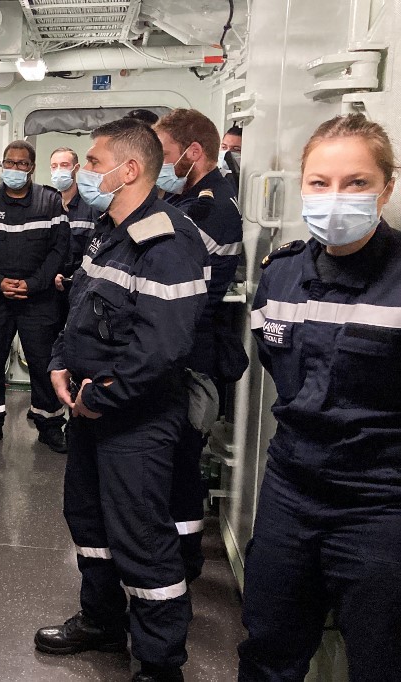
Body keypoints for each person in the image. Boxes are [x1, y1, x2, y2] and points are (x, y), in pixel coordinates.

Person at [34, 118, 209, 682]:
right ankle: (102, 620)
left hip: (136, 419)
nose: (82, 172)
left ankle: (159, 662)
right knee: (88, 521)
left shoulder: (169, 240)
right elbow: (82, 307)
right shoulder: (107, 229)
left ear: (127, 170)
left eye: (91, 161)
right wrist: (60, 362)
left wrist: (98, 397)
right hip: (90, 409)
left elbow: (162, 347)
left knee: (141, 540)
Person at [238, 114, 401, 682]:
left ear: (387, 188)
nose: (336, 198)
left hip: (382, 502)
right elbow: (277, 364)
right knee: (267, 645)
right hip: (292, 491)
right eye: (320, 182)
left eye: (356, 183)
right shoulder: (280, 274)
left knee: (381, 661)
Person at [153, 108, 244, 581]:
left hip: (190, 353)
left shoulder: (207, 208)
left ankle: (182, 565)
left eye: (162, 154)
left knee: (180, 464)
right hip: (183, 349)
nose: (156, 164)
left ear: (192, 153)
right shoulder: (191, 199)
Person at [0, 140, 70, 452]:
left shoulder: (50, 201)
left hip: (37, 298)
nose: (15, 169)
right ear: (2, 165)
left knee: (42, 362)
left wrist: (33, 284)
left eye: (21, 164)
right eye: (9, 163)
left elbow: (59, 249)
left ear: (32, 167)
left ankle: (49, 424)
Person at [49, 147, 99, 286]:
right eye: (54, 166)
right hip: (49, 283)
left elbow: (95, 249)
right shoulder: (48, 204)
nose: (59, 170)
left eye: (64, 165)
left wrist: (73, 277)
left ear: (76, 168)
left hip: (80, 283)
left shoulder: (91, 205)